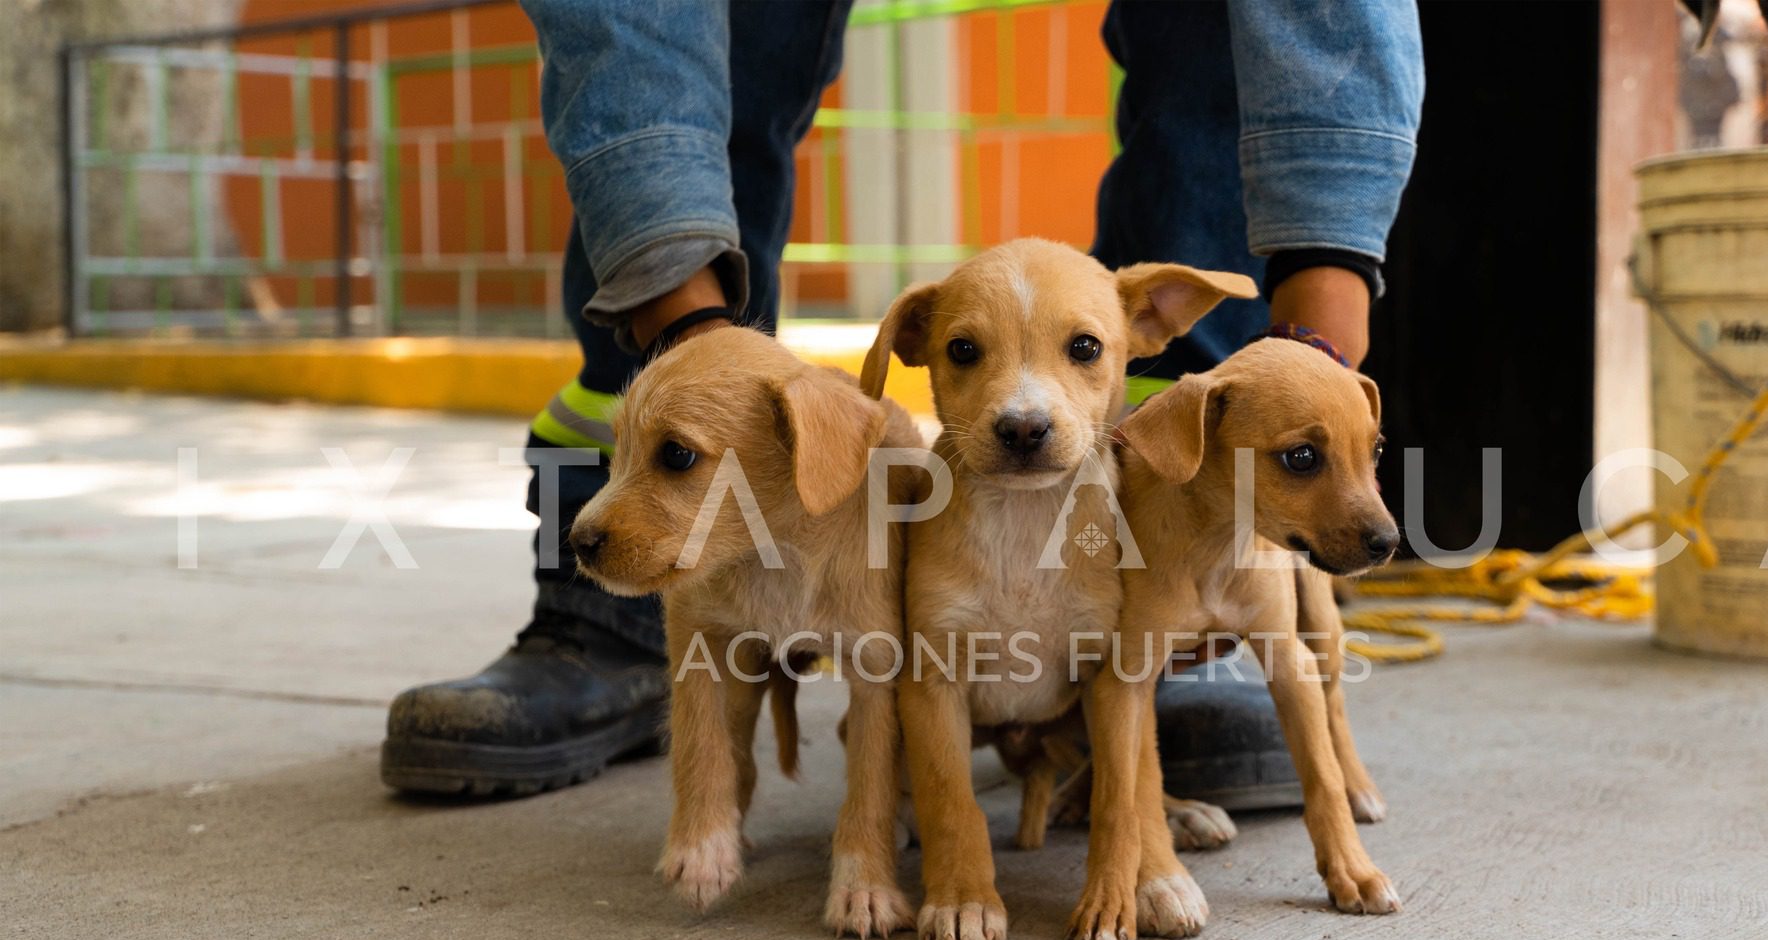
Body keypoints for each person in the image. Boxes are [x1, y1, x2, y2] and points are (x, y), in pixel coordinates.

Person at [381, 0, 1425, 799]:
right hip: (693, 339)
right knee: (736, 34)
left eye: (1080, 353)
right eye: (965, 355)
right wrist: (691, 341)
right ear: (909, 347)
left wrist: (1311, 351)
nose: (1023, 409)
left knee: (1213, 40)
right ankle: (603, 610)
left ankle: (1154, 614)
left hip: (1157, 517)